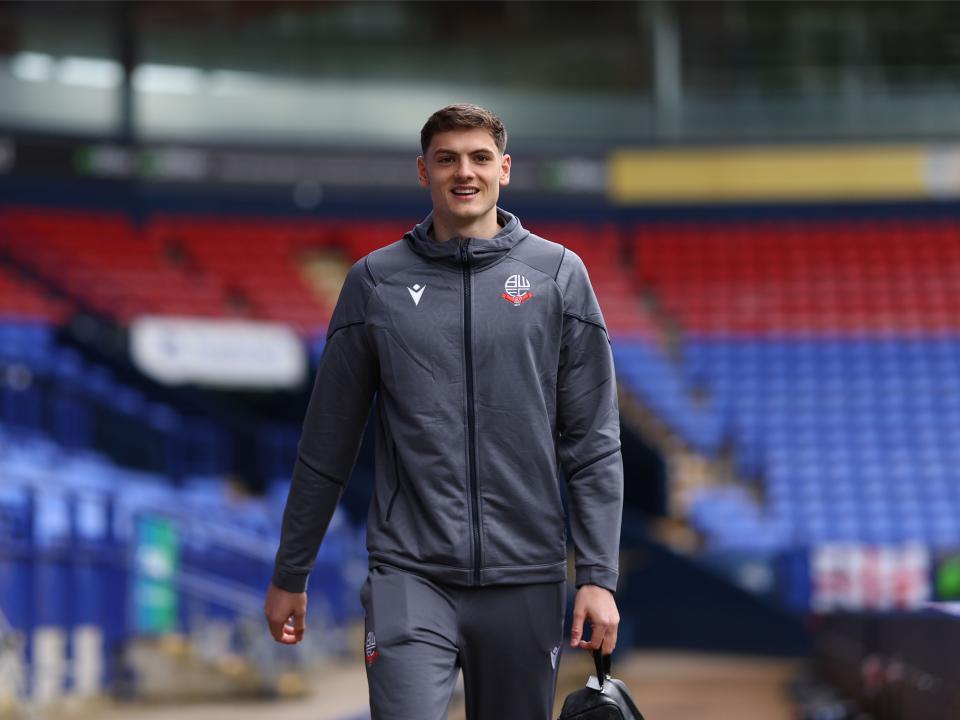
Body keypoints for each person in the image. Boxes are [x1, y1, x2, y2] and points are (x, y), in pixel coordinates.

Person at [264, 103, 623, 720]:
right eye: (447, 158)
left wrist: (597, 576)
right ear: (423, 171)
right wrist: (290, 572)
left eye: (480, 157)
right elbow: (327, 443)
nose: (465, 171)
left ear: (504, 169)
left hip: (527, 577)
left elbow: (592, 440)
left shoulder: (558, 276)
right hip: (409, 572)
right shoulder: (374, 282)